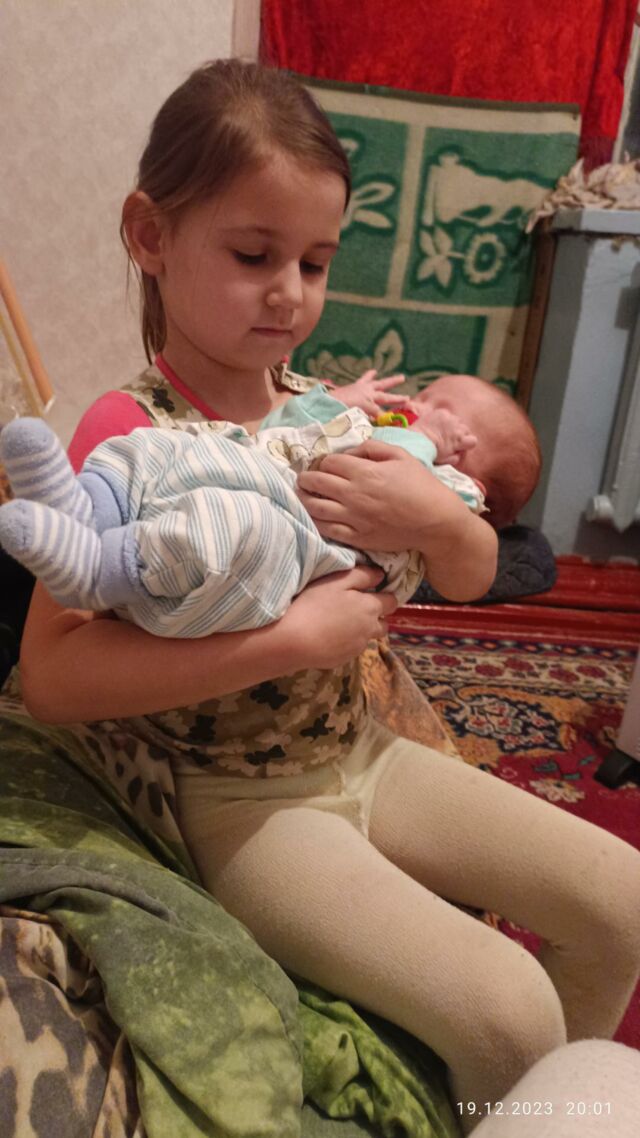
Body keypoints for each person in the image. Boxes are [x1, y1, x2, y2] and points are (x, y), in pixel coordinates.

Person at [15, 59, 640, 1135]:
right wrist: (292, 638)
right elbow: (55, 676)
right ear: (151, 236)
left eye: (314, 262)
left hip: (366, 753)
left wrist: (441, 519)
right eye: (253, 256)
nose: (291, 294)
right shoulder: (129, 433)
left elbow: (473, 576)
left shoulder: (326, 407)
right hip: (242, 804)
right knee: (508, 1014)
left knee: (621, 900)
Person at [0, 373, 539, 637]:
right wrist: (328, 404)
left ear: (473, 475)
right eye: (423, 395)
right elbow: (278, 434)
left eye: (439, 410)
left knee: (228, 526)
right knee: (159, 448)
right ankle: (85, 509)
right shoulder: (346, 412)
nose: (416, 408)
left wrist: (424, 442)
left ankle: (99, 570)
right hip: (258, 471)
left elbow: (394, 474)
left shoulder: (453, 490)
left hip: (296, 540)